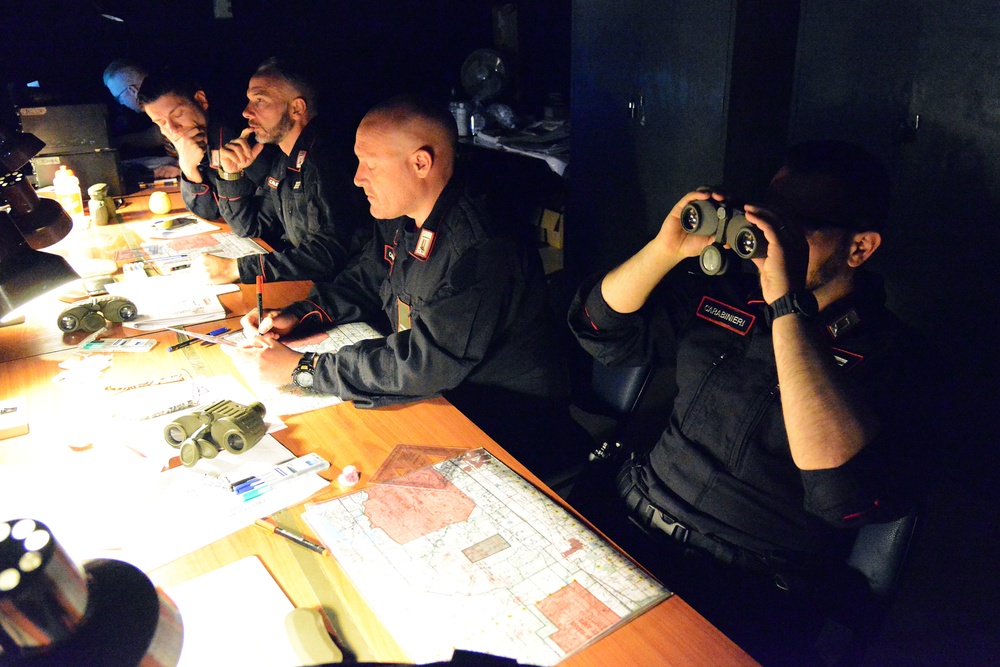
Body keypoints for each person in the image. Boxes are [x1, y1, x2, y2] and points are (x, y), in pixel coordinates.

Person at [567, 140, 931, 664]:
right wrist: (664, 250)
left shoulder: (896, 357)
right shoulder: (729, 296)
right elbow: (599, 329)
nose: (769, 238)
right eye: (769, 217)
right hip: (627, 516)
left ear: (859, 248)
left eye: (797, 226)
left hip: (740, 585)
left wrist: (787, 302)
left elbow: (843, 494)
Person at [228, 94, 580, 479]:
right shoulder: (403, 213)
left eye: (370, 165)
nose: (357, 177)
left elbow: (425, 362)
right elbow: (366, 278)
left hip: (501, 422)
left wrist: (306, 369)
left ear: (420, 163)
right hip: (441, 399)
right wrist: (300, 315)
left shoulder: (481, 247)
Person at [196, 56, 365, 285]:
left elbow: (327, 253)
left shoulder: (326, 161)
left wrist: (239, 269)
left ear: (296, 108)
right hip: (310, 286)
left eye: (260, 100)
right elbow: (249, 226)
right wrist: (231, 174)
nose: (246, 112)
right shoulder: (284, 159)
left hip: (340, 295)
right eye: (249, 101)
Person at [137, 71, 275, 221]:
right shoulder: (193, 137)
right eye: (161, 122)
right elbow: (208, 212)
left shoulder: (238, 138)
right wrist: (188, 169)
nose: (172, 129)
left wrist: (188, 169)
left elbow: (221, 213)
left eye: (177, 115)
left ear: (201, 100)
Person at [102, 59, 180, 183]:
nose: (121, 103)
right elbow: (158, 135)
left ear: (132, 91)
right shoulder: (161, 105)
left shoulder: (173, 103)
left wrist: (181, 168)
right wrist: (121, 141)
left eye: (118, 97)